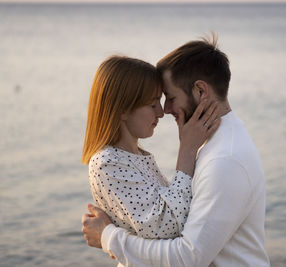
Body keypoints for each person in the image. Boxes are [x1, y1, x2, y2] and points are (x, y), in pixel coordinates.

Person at [82, 36, 270, 266]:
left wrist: (108, 237)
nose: (165, 110)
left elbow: (186, 256)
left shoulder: (225, 159)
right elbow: (164, 222)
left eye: (170, 98)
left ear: (201, 91)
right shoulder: (212, 144)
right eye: (156, 103)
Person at [81, 56, 220, 243]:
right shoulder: (107, 163)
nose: (161, 112)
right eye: (152, 104)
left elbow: (174, 213)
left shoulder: (134, 156)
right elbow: (168, 226)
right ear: (122, 110)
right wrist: (187, 149)